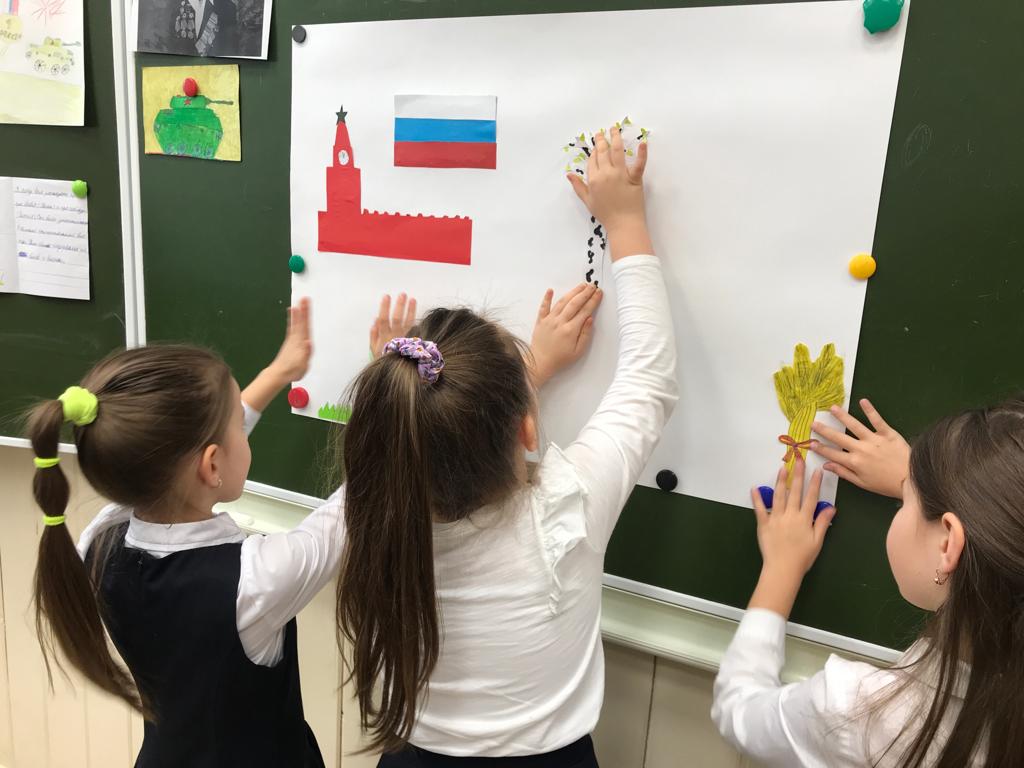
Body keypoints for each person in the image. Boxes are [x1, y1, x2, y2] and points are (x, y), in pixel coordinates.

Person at [336, 125, 678, 765]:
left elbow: (408, 434)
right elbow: (648, 382)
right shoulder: (566, 514)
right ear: (526, 425)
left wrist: (522, 382)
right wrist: (628, 223)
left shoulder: (377, 515)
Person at [27, 300, 339, 767]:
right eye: (238, 426)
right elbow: (354, 506)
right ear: (211, 465)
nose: (243, 428)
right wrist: (392, 392)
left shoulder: (100, 540)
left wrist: (279, 372)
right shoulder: (257, 581)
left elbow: (186, 448)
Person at [712, 396, 1024, 766]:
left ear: (947, 545)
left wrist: (781, 569)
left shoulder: (862, 714)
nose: (903, 497)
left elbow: (737, 710)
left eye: (905, 500)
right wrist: (931, 485)